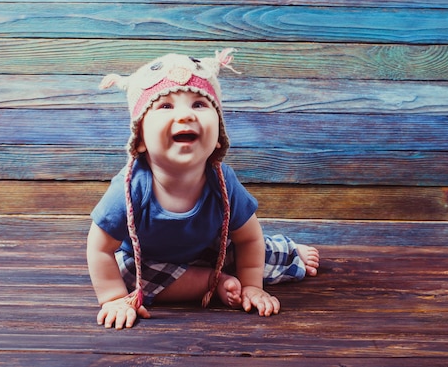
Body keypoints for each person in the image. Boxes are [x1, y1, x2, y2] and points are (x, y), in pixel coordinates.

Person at [87, 48, 320, 329]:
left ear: (219, 137)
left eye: (199, 104)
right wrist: (112, 298)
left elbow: (248, 238)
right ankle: (212, 281)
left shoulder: (222, 182)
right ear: (140, 141)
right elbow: (99, 249)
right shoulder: (131, 187)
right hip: (147, 259)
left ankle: (286, 253)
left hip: (212, 247)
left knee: (257, 251)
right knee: (129, 276)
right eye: (166, 106)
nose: (185, 115)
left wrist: (253, 286)